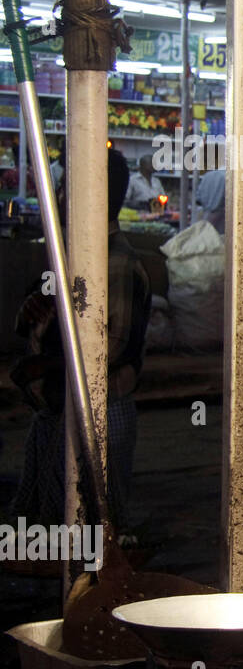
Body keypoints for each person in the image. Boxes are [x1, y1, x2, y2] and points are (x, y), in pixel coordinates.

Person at [12, 148, 150, 527]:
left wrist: (43, 363)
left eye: (64, 186)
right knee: (54, 526)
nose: (58, 195)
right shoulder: (76, 253)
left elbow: (113, 347)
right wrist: (32, 318)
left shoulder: (116, 262)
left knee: (93, 532)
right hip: (61, 410)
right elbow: (47, 315)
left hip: (98, 413)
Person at [195, 165, 226, 234]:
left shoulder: (207, 176)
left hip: (205, 215)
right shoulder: (230, 178)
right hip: (222, 219)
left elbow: (198, 199)